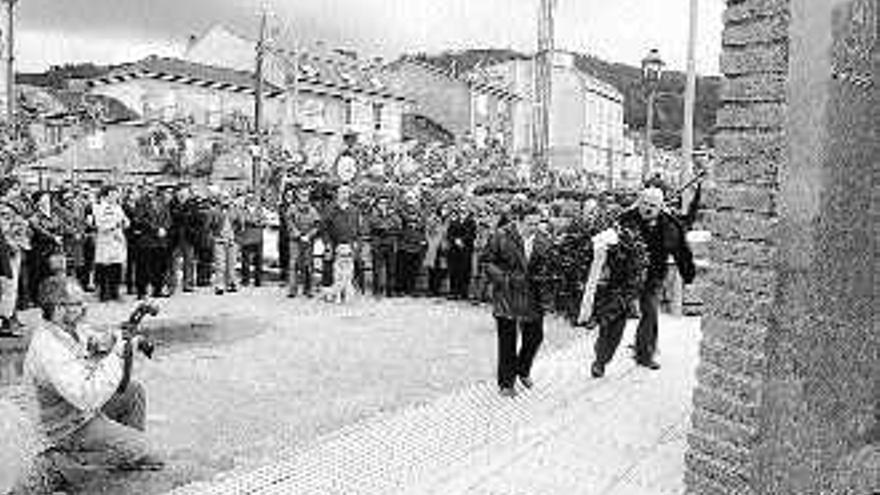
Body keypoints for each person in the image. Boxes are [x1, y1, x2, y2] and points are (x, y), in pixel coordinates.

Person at [11, 275, 161, 494]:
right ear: (58, 308)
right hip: (65, 430)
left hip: (79, 414)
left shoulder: (69, 329)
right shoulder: (48, 348)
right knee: (148, 452)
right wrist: (118, 354)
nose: (84, 307)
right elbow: (86, 396)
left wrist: (119, 335)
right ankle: (61, 465)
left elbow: (94, 341)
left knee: (132, 392)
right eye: (77, 303)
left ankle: (120, 455)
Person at [615, 187, 695, 370]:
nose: (648, 208)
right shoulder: (625, 220)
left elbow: (682, 252)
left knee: (650, 312)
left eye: (653, 205)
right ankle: (602, 358)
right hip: (626, 275)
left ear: (660, 207)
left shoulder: (670, 225)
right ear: (639, 202)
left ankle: (645, 353)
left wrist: (688, 274)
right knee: (616, 314)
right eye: (645, 204)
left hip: (654, 275)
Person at [482, 197, 553, 397]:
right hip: (507, 294)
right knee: (507, 341)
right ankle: (506, 383)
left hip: (532, 294)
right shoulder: (500, 236)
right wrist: (503, 279)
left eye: (537, 223)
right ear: (519, 221)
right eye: (530, 223)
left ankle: (522, 369)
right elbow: (487, 261)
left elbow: (547, 265)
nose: (534, 227)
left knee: (535, 337)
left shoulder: (543, 239)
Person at [0, 177, 31, 335]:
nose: (18, 193)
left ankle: (10, 317)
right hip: (8, 250)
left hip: (15, 247)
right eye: (15, 189)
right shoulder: (5, 207)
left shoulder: (13, 206)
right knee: (9, 287)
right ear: (8, 190)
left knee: (12, 287)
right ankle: (6, 322)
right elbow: (4, 230)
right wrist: (12, 244)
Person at [92, 185, 129, 302]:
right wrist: (115, 225)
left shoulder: (118, 207)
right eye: (112, 194)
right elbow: (100, 225)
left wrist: (125, 223)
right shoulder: (99, 207)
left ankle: (115, 292)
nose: (115, 197)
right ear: (106, 196)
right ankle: (103, 293)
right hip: (106, 241)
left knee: (116, 267)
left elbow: (125, 220)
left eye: (116, 194)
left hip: (117, 241)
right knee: (104, 267)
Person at [284, 186, 320, 298]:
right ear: (298, 196)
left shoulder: (313, 210)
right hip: (295, 240)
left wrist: (309, 235)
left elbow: (317, 225)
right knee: (293, 264)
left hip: (308, 241)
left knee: (308, 265)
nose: (304, 197)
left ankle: (308, 289)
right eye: (302, 194)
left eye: (306, 195)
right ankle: (292, 289)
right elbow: (289, 222)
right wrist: (298, 234)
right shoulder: (292, 208)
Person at [446, 203, 477, 300]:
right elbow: (449, 233)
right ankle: (453, 291)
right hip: (454, 249)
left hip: (466, 249)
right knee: (453, 270)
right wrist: (455, 240)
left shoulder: (472, 222)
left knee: (464, 270)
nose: (463, 210)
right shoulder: (454, 220)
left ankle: (463, 292)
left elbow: (472, 235)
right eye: (461, 208)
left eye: (465, 208)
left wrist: (462, 240)